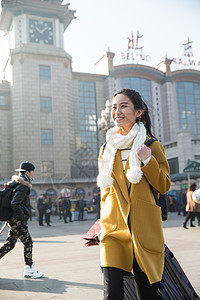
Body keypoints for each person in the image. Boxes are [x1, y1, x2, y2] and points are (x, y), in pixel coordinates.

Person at [97, 89, 171, 300]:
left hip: (143, 228)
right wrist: (102, 223)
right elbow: (105, 191)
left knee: (146, 293)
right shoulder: (107, 148)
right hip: (113, 228)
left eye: (123, 106)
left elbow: (164, 185)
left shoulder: (151, 145)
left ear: (138, 112)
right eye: (114, 107)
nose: (116, 112)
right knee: (112, 294)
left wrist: (148, 161)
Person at [0, 161, 43, 279]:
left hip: (12, 219)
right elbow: (15, 203)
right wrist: (22, 216)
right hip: (17, 220)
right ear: (28, 172)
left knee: (10, 244)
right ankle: (29, 269)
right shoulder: (24, 185)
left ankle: (29, 268)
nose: (33, 174)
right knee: (28, 242)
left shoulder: (16, 183)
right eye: (33, 171)